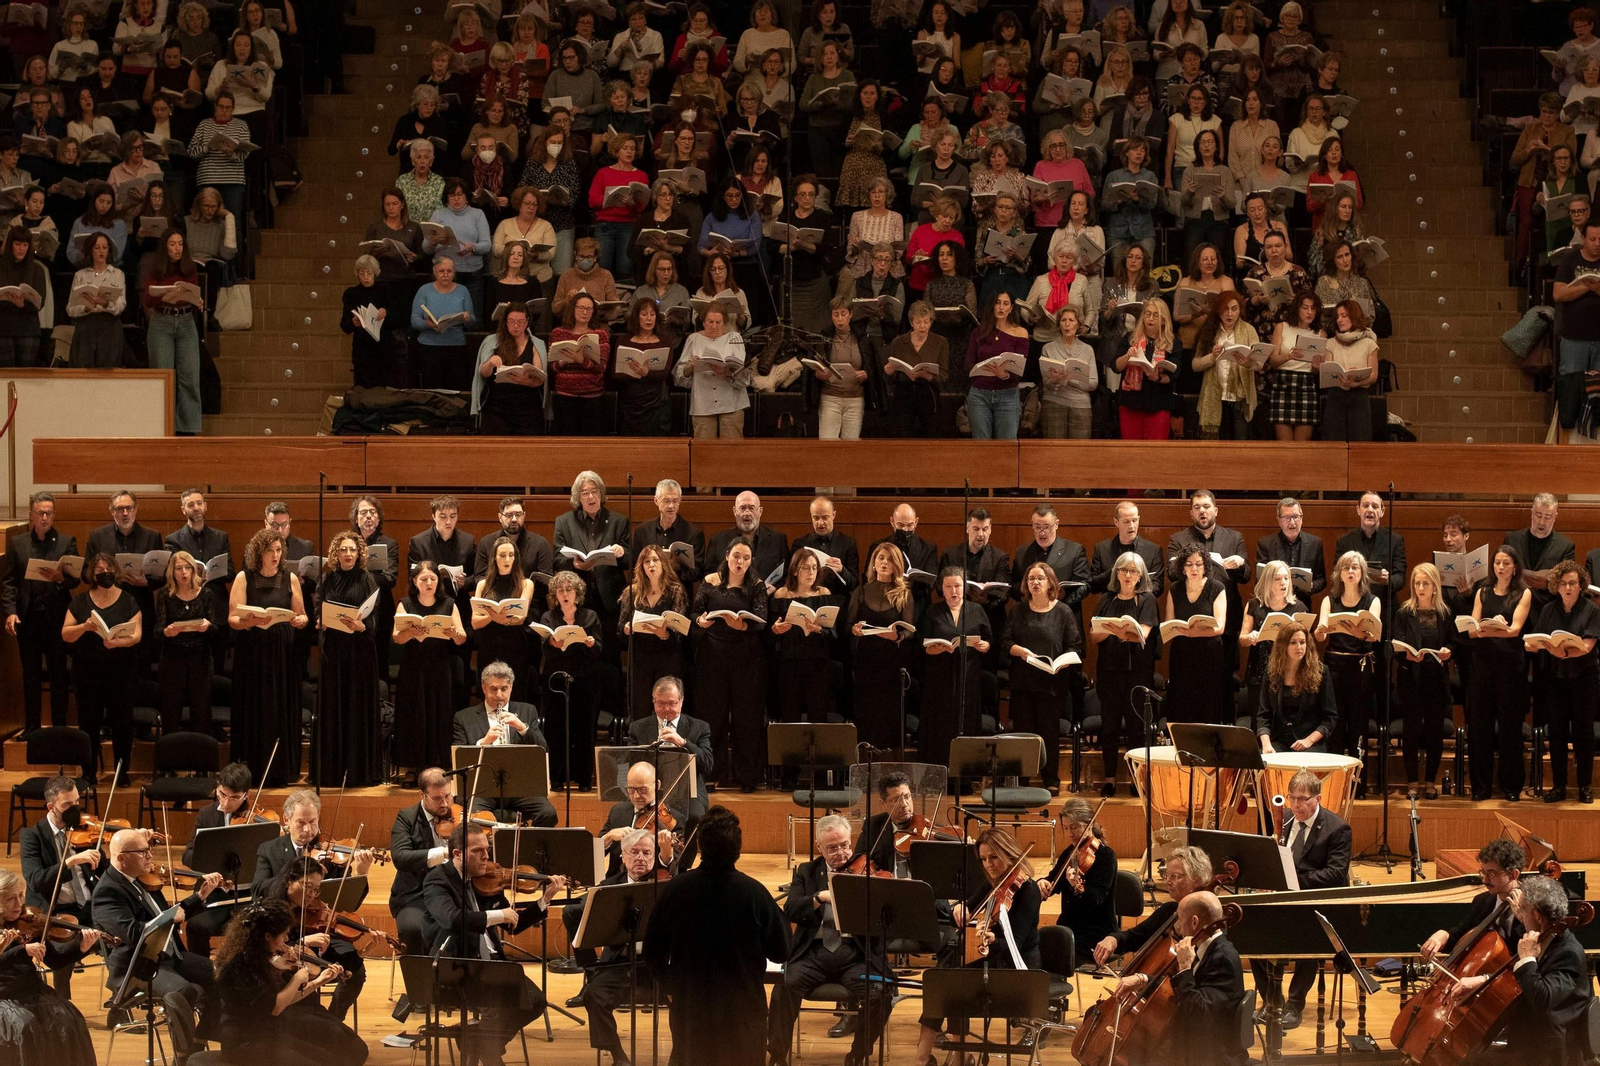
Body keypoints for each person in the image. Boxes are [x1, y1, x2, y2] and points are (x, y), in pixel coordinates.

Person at [643, 806, 788, 1066]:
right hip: (743, 1010)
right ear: (738, 848)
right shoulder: (755, 893)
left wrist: (670, 987)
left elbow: (652, 951)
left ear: (700, 846)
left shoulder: (674, 890)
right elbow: (781, 951)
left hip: (690, 1009)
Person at [424, 823, 567, 1066]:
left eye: (487, 849)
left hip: (493, 964)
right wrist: (498, 915)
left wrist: (545, 898)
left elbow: (515, 924)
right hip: (461, 966)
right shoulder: (437, 881)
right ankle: (488, 1052)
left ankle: (476, 1041)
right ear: (458, 854)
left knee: (535, 1000)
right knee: (497, 1008)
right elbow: (451, 919)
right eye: (478, 850)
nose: (487, 856)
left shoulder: (484, 881)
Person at [766, 814, 893, 1066]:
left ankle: (859, 1053)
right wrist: (820, 897)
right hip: (813, 954)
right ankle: (778, 1055)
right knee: (784, 987)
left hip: (855, 955)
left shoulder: (866, 871)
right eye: (832, 847)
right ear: (819, 847)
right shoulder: (807, 871)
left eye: (845, 845)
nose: (841, 853)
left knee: (881, 992)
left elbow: (887, 919)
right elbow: (792, 908)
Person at [912, 827, 1040, 1065]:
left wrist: (992, 940)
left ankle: (934, 1057)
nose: (989, 864)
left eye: (993, 857)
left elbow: (1017, 943)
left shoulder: (1028, 890)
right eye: (983, 859)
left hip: (1016, 963)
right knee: (950, 972)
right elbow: (966, 910)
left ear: (1008, 853)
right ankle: (947, 1056)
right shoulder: (993, 884)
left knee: (950, 975)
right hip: (990, 956)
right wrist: (958, 908)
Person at [1446, 873, 1593, 1065]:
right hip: (1527, 1037)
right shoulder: (1539, 937)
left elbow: (1543, 999)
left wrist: (1528, 959)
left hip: (1550, 1050)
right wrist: (1483, 980)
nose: (1518, 915)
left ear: (1538, 917)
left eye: (1522, 909)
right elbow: (1521, 979)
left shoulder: (1568, 953)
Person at [92, 828, 222, 1034]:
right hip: (139, 966)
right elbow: (134, 934)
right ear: (121, 858)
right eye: (142, 852)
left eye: (148, 850)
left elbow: (169, 914)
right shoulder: (108, 892)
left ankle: (206, 1036)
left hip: (168, 956)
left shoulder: (143, 879)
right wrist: (170, 918)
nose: (150, 856)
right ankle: (183, 1053)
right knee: (182, 992)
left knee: (222, 974)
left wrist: (199, 896)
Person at [211, 897, 366, 1066]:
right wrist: (297, 978)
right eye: (283, 935)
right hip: (245, 1043)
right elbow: (276, 1007)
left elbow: (284, 1001)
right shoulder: (241, 965)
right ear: (267, 936)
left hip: (266, 1032)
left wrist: (318, 981)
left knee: (327, 1058)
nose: (286, 940)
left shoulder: (259, 956)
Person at [1250, 769, 1350, 1029]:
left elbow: (1336, 874)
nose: (1296, 804)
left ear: (1318, 798)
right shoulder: (1283, 821)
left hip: (1317, 904)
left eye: (1303, 799)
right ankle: (1272, 999)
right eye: (1292, 797)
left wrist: (1293, 884)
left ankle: (1295, 1003)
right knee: (1250, 934)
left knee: (1309, 937)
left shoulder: (1337, 828)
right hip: (1284, 901)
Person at [228, 528, 306, 788]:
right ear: (258, 552)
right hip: (253, 650)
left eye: (279, 550)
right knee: (254, 705)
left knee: (280, 706)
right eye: (269, 550)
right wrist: (250, 621)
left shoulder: (290, 578)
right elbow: (232, 618)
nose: (275, 555)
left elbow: (303, 615)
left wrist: (298, 620)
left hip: (282, 651)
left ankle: (281, 769)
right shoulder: (244, 577)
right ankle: (251, 769)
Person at [0, 866, 99, 1066]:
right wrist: (21, 950)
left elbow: (54, 960)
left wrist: (80, 948)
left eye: (21, 896)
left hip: (32, 990)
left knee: (69, 1019)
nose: (19, 904)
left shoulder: (27, 923)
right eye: (11, 898)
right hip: (5, 995)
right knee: (24, 1027)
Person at [692, 536, 769, 792]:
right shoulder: (710, 581)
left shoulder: (756, 585)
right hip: (712, 655)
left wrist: (743, 624)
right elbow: (695, 613)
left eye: (746, 558)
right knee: (712, 716)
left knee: (746, 718)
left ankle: (747, 777)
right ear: (727, 555)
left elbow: (761, 620)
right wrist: (700, 622)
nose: (740, 562)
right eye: (737, 556)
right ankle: (711, 774)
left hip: (746, 657)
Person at [257, 857, 368, 1024]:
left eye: (316, 889)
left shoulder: (306, 909)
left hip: (308, 957)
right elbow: (270, 951)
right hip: (286, 978)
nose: (311, 895)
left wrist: (364, 950)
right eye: (307, 886)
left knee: (355, 969)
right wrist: (304, 941)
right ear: (288, 881)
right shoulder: (273, 910)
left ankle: (335, 1017)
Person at [1003, 561, 1082, 793]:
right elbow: (1005, 642)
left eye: (1040, 578)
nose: (1035, 582)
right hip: (1023, 681)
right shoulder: (1017, 610)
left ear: (1050, 583)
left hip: (1051, 682)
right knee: (1024, 732)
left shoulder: (1063, 611)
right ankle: (1024, 778)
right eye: (1031, 579)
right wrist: (1021, 651)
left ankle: (1050, 779)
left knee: (1048, 732)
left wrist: (1062, 663)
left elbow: (1075, 646)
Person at [61, 553, 141, 782]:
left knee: (122, 722)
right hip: (87, 671)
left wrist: (117, 642)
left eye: (108, 569)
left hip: (121, 671)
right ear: (92, 575)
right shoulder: (80, 601)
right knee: (88, 722)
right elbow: (66, 633)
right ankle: (89, 771)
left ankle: (121, 771)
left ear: (115, 571)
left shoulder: (128, 600)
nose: (104, 573)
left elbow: (136, 634)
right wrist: (84, 627)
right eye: (99, 570)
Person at [452, 661, 559, 827]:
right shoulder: (464, 717)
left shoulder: (527, 711)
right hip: (482, 788)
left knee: (548, 814)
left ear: (511, 687)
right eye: (494, 689)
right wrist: (484, 742)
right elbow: (459, 756)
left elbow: (543, 749)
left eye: (504, 688)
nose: (499, 695)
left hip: (520, 786)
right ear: (484, 687)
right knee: (471, 818)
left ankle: (527, 849)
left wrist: (522, 727)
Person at [3, 493, 77, 732]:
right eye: (40, 513)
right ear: (31, 515)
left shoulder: (66, 542)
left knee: (59, 676)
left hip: (56, 619)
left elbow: (75, 579)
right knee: (30, 677)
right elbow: (8, 582)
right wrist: (10, 612)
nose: (45, 518)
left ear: (54, 515)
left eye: (49, 513)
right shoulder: (18, 543)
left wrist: (59, 580)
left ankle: (59, 729)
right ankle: (32, 729)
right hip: (28, 619)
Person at [20, 778, 99, 997]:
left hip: (90, 907)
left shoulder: (84, 832)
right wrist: (70, 862)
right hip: (56, 913)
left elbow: (102, 868)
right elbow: (35, 879)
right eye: (67, 805)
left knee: (124, 941)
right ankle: (63, 1005)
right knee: (64, 952)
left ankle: (119, 1003)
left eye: (76, 802)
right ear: (51, 807)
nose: (74, 809)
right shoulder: (32, 836)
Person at [1092, 552, 1162, 797]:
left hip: (1137, 673)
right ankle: (1109, 778)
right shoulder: (1106, 599)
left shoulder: (1147, 599)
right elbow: (1095, 634)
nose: (1128, 575)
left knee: (1136, 728)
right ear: (1116, 573)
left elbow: (1142, 634)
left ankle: (1137, 779)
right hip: (1109, 671)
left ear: (1140, 574)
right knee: (1109, 727)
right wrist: (1117, 631)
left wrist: (1118, 631)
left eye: (1133, 571)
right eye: (1124, 570)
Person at [1467, 546, 1533, 802]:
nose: (1501, 567)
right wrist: (1493, 628)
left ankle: (1511, 787)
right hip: (1482, 665)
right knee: (1479, 727)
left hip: (1510, 667)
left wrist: (1489, 629)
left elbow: (1515, 629)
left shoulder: (1522, 592)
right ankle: (1480, 788)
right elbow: (1472, 630)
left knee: (1510, 727)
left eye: (1506, 563)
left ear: (1515, 567)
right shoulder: (1482, 591)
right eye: (1497, 563)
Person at [1531, 560, 1600, 803]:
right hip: (1555, 678)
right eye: (1563, 584)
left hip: (1584, 678)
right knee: (1557, 732)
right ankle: (1559, 786)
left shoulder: (1591, 610)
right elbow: (1537, 640)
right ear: (1556, 586)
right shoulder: (1549, 610)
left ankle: (1584, 786)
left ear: (1581, 585)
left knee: (1583, 732)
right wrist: (1542, 646)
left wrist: (1564, 651)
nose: (1568, 587)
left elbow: (1588, 645)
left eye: (1572, 583)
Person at [1168, 490, 1250, 693]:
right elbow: (1171, 573)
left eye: (1206, 507)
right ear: (1191, 513)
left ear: (1215, 510)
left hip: (1225, 622)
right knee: (1189, 683)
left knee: (1225, 681)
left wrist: (1239, 564)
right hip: (1189, 619)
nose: (1202, 512)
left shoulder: (1234, 538)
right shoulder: (1179, 539)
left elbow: (1246, 576)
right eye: (1197, 508)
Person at [1158, 891, 1248, 1065]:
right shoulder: (1205, 947)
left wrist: (1184, 968)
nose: (1177, 926)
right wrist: (1143, 979)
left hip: (1209, 1055)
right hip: (1195, 1043)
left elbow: (1200, 1015)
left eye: (1180, 919)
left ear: (1194, 922)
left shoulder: (1222, 958)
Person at [919, 566, 992, 776]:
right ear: (941, 588)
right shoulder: (933, 610)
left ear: (964, 587)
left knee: (966, 720)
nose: (954, 591)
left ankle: (966, 776)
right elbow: (921, 644)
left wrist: (985, 646)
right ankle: (939, 774)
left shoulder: (976, 610)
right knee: (940, 723)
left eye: (958, 586)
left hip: (968, 675)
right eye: (948, 586)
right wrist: (932, 650)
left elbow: (989, 641)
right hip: (939, 676)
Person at [393, 560, 467, 770]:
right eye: (424, 579)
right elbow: (397, 638)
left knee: (439, 714)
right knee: (413, 715)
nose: (428, 583)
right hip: (413, 667)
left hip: (440, 666)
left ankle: (437, 764)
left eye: (432, 579)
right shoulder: (405, 603)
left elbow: (462, 638)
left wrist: (454, 634)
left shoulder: (448, 604)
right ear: (415, 581)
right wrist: (411, 632)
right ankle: (412, 766)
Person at [536, 570, 605, 790]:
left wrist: (592, 643)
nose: (565, 594)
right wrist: (552, 644)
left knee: (583, 730)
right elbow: (544, 650)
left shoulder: (590, 616)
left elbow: (600, 650)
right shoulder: (549, 617)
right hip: (555, 681)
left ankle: (583, 779)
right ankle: (556, 778)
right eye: (561, 590)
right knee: (556, 729)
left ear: (578, 593)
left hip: (585, 680)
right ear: (555, 594)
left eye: (569, 589)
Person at [1092, 845, 1213, 968]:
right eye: (1167, 875)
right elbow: (1135, 937)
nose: (1168, 882)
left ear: (1197, 879)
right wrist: (1113, 939)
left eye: (1175, 876)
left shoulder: (1208, 918)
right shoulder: (1169, 910)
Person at [178, 762, 254, 957]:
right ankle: (204, 979)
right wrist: (210, 857)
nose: (226, 804)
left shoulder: (258, 819)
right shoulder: (206, 815)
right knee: (196, 926)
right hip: (217, 894)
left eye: (235, 798)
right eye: (222, 794)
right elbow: (187, 855)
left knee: (254, 930)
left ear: (247, 795)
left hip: (249, 895)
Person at [846, 544, 916, 752]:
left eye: (889, 559)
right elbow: (848, 625)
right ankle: (865, 751)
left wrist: (898, 636)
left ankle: (888, 754)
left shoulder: (904, 594)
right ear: (874, 564)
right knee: (866, 708)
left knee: (888, 709)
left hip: (891, 660)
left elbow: (911, 630)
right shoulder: (861, 590)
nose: (884, 563)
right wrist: (855, 630)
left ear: (897, 566)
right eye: (880, 558)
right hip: (866, 658)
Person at [139, 227, 205, 435]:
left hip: (185, 321)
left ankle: (188, 427)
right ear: (165, 246)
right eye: (172, 244)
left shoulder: (189, 268)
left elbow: (193, 295)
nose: (177, 248)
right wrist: (162, 298)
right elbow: (148, 299)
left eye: (180, 244)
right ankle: (162, 425)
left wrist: (199, 302)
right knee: (163, 375)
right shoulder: (154, 267)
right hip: (162, 321)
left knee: (190, 376)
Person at [1420, 839, 1528, 965]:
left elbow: (1538, 951)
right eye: (1483, 872)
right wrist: (1444, 935)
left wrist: (1523, 919)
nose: (1485, 880)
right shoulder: (1482, 901)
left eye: (1492, 873)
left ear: (1513, 875)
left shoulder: (1532, 906)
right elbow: (1463, 936)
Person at [769, 547, 842, 729]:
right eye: (805, 568)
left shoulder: (823, 594)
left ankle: (819, 756)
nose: (811, 573)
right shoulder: (781, 595)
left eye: (814, 568)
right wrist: (776, 629)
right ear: (795, 570)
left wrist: (818, 629)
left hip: (817, 662)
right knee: (789, 712)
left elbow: (834, 633)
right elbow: (770, 630)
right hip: (789, 661)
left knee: (818, 712)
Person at [388, 767, 458, 957]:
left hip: (451, 893)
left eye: (448, 796)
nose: (445, 804)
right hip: (415, 894)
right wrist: (444, 852)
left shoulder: (459, 815)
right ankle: (419, 984)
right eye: (437, 798)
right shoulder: (407, 818)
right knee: (413, 929)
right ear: (422, 794)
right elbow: (401, 857)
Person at [625, 676, 714, 825]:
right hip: (647, 791)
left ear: (681, 702)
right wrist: (649, 752)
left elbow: (708, 764)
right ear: (653, 701)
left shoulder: (699, 727)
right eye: (661, 703)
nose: (666, 709)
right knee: (624, 813)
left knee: (695, 815)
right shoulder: (637, 728)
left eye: (671, 703)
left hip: (688, 793)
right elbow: (629, 764)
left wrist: (683, 743)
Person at [251, 790, 377, 889]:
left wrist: (361, 873)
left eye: (312, 821)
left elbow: (349, 901)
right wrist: (292, 876)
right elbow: (258, 890)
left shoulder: (331, 856)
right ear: (286, 819)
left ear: (318, 816)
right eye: (301, 822)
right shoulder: (269, 849)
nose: (308, 829)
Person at [1164, 546, 1228, 725]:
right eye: (1189, 564)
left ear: (1205, 565)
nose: (1194, 569)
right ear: (1182, 567)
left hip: (1209, 654)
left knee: (1208, 705)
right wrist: (1176, 630)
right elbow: (1169, 622)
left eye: (1199, 564)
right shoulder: (1175, 589)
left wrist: (1194, 633)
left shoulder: (1217, 587)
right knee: (1182, 704)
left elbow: (1220, 627)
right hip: (1182, 654)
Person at [1041, 798, 1116, 947]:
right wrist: (1042, 883)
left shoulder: (1105, 856)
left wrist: (1079, 887)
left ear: (1089, 824)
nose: (1070, 833)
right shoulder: (1069, 853)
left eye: (1074, 827)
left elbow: (1097, 898)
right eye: (1066, 828)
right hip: (1068, 928)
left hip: (1096, 932)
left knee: (1056, 954)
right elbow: (1053, 880)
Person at [155, 551, 215, 735]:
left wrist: (208, 626)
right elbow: (158, 631)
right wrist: (167, 631)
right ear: (172, 572)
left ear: (194, 570)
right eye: (179, 568)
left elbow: (217, 632)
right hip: (173, 659)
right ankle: (170, 760)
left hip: (200, 659)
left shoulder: (206, 594)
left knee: (201, 711)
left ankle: (200, 759)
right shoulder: (165, 595)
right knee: (171, 711)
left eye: (188, 567)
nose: (184, 572)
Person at [471, 533, 535, 703]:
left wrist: (493, 616)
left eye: (511, 555)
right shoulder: (483, 585)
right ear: (494, 558)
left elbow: (520, 617)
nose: (507, 559)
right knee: (490, 695)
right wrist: (496, 617)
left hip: (515, 645)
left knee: (514, 694)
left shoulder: (525, 584)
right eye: (502, 555)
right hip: (489, 645)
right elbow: (475, 622)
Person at [1256, 621, 1335, 754]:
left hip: (1309, 740)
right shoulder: (1271, 672)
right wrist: (1266, 745)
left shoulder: (1321, 672)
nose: (1299, 647)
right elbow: (1263, 715)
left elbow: (1330, 717)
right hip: (1279, 739)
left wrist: (1309, 740)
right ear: (1283, 646)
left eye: (1302, 642)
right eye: (1293, 642)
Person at [628, 478, 704, 587]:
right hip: (649, 592)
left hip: (679, 593)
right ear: (656, 500)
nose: (671, 506)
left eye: (675, 501)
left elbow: (697, 573)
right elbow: (635, 568)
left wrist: (677, 567)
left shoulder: (694, 533)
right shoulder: (642, 531)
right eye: (666, 501)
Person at [471, 497, 554, 591]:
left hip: (531, 602)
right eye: (509, 515)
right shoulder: (486, 543)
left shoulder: (540, 544)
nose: (514, 519)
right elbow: (479, 578)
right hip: (496, 599)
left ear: (524, 515)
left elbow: (547, 581)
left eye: (518, 514)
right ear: (500, 517)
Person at [707, 492, 790, 585]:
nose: (747, 513)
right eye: (742, 508)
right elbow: (708, 575)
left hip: (768, 597)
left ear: (760, 511)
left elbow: (787, 574)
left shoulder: (778, 540)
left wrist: (776, 588)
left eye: (751, 508)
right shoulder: (718, 540)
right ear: (734, 511)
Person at [1088, 501, 1165, 598]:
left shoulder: (1153, 550)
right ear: (1116, 522)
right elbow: (1093, 586)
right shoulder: (1102, 549)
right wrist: (1115, 572)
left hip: (1141, 606)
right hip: (1112, 605)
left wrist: (1133, 594)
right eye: (1126, 521)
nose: (1132, 526)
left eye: (1134, 520)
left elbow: (1158, 586)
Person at [1256, 496, 1327, 597]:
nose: (1292, 522)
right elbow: (1259, 579)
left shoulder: (1315, 543)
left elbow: (1321, 580)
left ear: (1301, 518)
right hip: (1274, 602)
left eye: (1295, 517)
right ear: (1279, 520)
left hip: (1302, 603)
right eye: (1287, 518)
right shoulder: (1266, 544)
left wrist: (1310, 586)